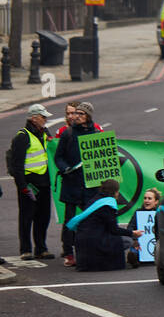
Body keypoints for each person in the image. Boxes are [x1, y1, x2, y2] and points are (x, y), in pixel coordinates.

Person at [53, 101, 99, 267]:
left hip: (90, 185)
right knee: (69, 221)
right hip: (72, 183)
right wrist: (66, 169)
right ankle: (68, 252)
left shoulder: (95, 133)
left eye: (81, 114)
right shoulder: (68, 134)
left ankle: (88, 251)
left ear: (88, 117)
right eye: (75, 113)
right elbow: (58, 157)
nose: (76, 116)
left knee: (90, 219)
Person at [66, 179, 141, 272]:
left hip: (82, 241)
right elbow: (114, 230)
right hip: (94, 241)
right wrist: (132, 233)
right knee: (127, 240)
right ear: (115, 192)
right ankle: (108, 261)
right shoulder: (108, 205)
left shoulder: (94, 200)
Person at [10, 104, 54, 261]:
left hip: (44, 182)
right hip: (29, 184)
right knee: (27, 217)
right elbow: (17, 165)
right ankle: (26, 249)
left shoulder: (44, 134)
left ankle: (41, 248)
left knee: (44, 217)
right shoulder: (22, 136)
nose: (45, 120)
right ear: (33, 118)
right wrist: (22, 187)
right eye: (43, 117)